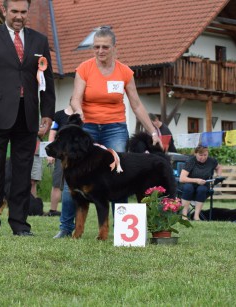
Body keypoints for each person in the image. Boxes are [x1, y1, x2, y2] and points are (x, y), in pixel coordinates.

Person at [54, 26, 161, 238]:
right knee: (72, 177)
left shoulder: (124, 72)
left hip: (115, 128)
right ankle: (65, 229)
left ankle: (123, 231)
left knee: (118, 176)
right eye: (96, 47)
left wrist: (153, 132)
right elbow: (75, 97)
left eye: (105, 47)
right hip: (89, 128)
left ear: (114, 48)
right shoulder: (84, 68)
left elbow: (137, 105)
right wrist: (79, 110)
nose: (100, 51)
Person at [0, 0, 55, 237]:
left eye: (23, 12)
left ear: (28, 13)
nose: (19, 16)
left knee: (22, 172)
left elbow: (47, 81)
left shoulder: (39, 41)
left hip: (27, 115)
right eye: (14, 11)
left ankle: (20, 224)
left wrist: (47, 113)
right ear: (4, 11)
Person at [44, 105, 73, 216]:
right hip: (61, 156)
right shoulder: (59, 115)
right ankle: (53, 210)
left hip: (77, 156)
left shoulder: (82, 115)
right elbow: (52, 132)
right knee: (57, 183)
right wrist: (51, 153)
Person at [180, 145, 222, 221]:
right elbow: (182, 179)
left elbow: (219, 167)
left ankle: (196, 216)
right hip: (189, 183)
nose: (203, 157)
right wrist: (196, 180)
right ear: (196, 154)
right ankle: (184, 215)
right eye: (200, 155)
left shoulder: (212, 161)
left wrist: (218, 176)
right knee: (188, 188)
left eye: (205, 155)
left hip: (204, 184)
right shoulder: (191, 161)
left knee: (202, 189)